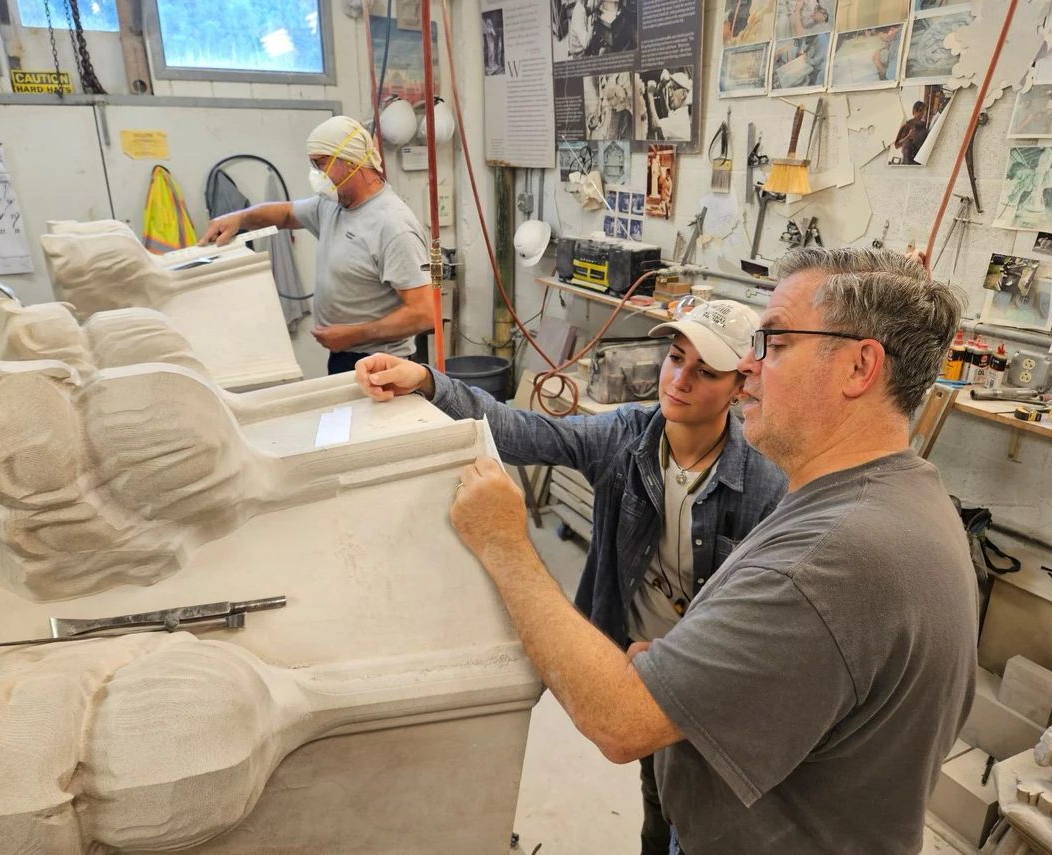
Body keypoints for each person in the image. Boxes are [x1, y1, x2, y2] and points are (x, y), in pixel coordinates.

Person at [435, 247, 978, 853]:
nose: (749, 364)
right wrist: (688, 663)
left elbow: (620, 720)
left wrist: (505, 542)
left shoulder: (828, 560)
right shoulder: (898, 500)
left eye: (774, 342)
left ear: (859, 367)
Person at [355, 300, 787, 855]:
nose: (679, 380)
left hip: (706, 677)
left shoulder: (764, 483)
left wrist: (680, 658)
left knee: (703, 808)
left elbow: (759, 617)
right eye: (675, 358)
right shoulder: (626, 437)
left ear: (740, 387)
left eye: (705, 372)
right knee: (657, 795)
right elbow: (522, 431)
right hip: (634, 663)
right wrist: (429, 383)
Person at [199, 116, 433, 375]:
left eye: (320, 163)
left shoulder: (392, 225)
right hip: (345, 355)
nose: (316, 173)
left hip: (381, 363)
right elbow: (286, 214)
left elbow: (423, 313)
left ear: (349, 162)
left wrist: (354, 335)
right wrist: (239, 218)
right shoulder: (332, 204)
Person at [894, 100, 929, 165]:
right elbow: (897, 145)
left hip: (919, 161)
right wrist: (908, 137)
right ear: (914, 111)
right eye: (920, 111)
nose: (922, 114)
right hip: (908, 162)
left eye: (924, 111)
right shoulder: (908, 125)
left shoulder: (923, 126)